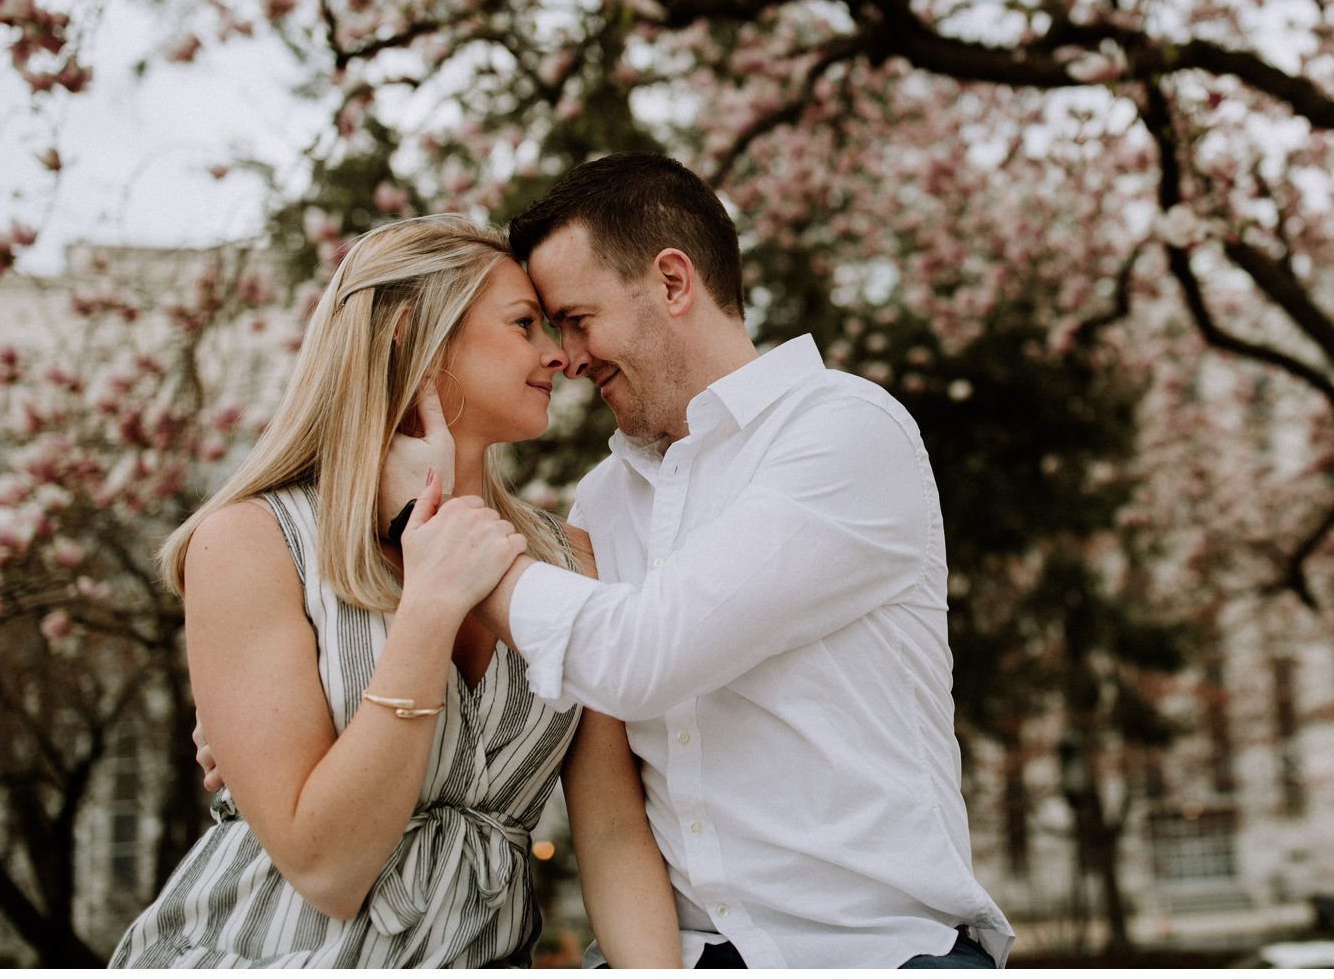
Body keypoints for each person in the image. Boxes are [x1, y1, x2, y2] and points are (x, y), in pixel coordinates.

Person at [385, 154, 1013, 968]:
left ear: (673, 282)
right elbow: (574, 736)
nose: (567, 357)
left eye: (577, 317)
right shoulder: (604, 501)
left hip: (872, 950)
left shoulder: (845, 431)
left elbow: (643, 655)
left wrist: (441, 538)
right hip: (671, 952)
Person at [113, 214, 680, 968]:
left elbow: (612, 832)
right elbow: (326, 867)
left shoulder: (572, 560)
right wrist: (431, 606)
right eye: (523, 325)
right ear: (413, 336)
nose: (557, 355)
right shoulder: (252, 542)